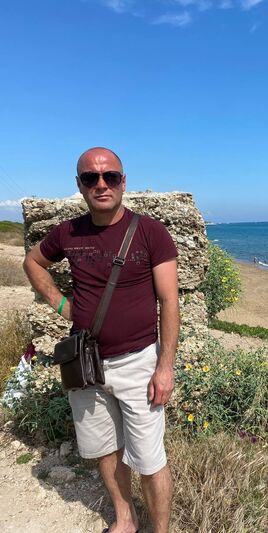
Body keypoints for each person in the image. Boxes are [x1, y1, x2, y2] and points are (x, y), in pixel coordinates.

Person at [23, 147, 180, 533]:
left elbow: (169, 301)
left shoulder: (150, 232)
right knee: (104, 449)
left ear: (122, 182)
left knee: (150, 460)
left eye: (110, 176)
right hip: (86, 363)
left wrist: (164, 367)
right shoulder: (68, 232)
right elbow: (33, 262)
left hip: (139, 363)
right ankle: (125, 519)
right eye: (90, 178)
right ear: (79, 185)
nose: (101, 184)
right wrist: (62, 305)